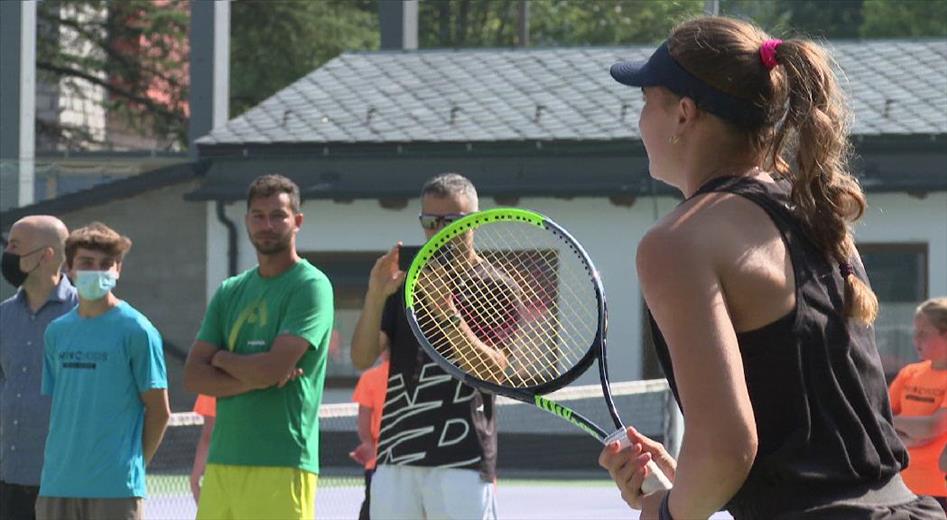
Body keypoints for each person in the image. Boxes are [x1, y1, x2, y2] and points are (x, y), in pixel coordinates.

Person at [598, 16, 943, 519]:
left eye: (647, 100)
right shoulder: (811, 213)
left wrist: (668, 512)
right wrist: (689, 485)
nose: (639, 120)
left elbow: (727, 448)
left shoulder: (677, 241)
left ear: (684, 113)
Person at [184, 174, 334, 520]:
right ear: (247, 220)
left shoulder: (311, 286)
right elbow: (193, 376)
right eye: (258, 215)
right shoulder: (230, 291)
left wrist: (221, 359)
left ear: (297, 221)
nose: (267, 225)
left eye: (278, 215)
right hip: (222, 461)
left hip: (282, 461)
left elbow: (272, 369)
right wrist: (258, 375)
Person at [351, 173, 498, 520]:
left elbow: (493, 370)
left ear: (475, 221)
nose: (440, 231)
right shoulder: (404, 285)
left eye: (452, 221)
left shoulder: (495, 285)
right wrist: (375, 294)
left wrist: (445, 309)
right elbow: (361, 357)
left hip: (462, 460)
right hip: (395, 458)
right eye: (430, 222)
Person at [35, 222, 170, 520]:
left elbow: (159, 412)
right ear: (69, 268)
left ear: (118, 270)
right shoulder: (57, 332)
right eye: (86, 263)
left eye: (106, 264)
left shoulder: (137, 330)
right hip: (57, 485)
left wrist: (129, 467)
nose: (97, 271)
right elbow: (62, 405)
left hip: (115, 489)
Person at [0, 216, 77, 520]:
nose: (8, 253)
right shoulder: (3, 316)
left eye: (15, 246)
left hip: (66, 484)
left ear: (45, 255)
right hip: (9, 478)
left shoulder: (85, 315)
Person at [890, 298, 947, 510]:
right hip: (900, 488)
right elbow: (879, 419)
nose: (916, 339)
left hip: (939, 492)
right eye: (915, 332)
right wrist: (912, 437)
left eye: (924, 333)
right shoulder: (910, 373)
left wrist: (896, 426)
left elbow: (933, 426)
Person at [350, 348, 390, 520]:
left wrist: (369, 445)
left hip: (376, 463)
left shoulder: (370, 378)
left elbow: (363, 421)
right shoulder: (416, 376)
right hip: (408, 461)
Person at [190, 394, 217, 503]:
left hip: (221, 471)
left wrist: (194, 481)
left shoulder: (212, 388)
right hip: (262, 469)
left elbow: (208, 437)